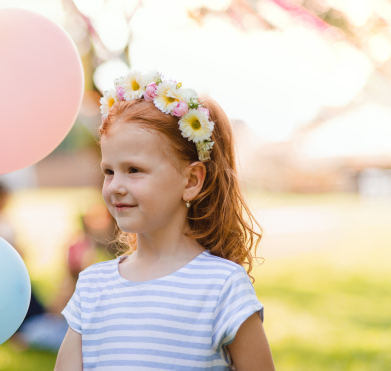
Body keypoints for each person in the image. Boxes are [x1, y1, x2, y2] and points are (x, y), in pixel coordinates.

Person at [55, 71, 275, 370]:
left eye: (134, 169)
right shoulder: (94, 286)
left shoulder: (221, 286)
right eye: (109, 171)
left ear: (191, 180)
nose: (116, 185)